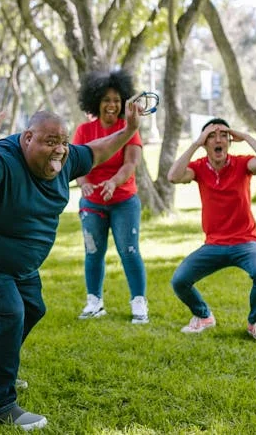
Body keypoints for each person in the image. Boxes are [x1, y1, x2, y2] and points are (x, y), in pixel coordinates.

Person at [0, 90, 142, 430]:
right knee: (8, 314)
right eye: (49, 142)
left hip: (15, 259)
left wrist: (129, 129)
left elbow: (96, 151)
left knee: (32, 308)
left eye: (62, 141)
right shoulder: (0, 160)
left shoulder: (64, 158)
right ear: (27, 138)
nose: (59, 149)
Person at [167, 118, 256, 344]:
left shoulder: (241, 164)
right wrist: (194, 144)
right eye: (211, 136)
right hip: (214, 245)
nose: (218, 140)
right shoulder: (199, 168)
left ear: (230, 141)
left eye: (223, 135)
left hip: (245, 242)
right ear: (204, 142)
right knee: (179, 281)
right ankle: (203, 316)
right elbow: (173, 176)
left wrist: (245, 136)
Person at [72, 70, 148, 323]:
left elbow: (130, 165)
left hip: (123, 200)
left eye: (117, 100)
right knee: (93, 252)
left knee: (129, 250)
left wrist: (113, 182)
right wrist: (83, 184)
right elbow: (77, 164)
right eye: (106, 100)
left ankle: (139, 302)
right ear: (96, 102)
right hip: (92, 203)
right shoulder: (84, 131)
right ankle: (94, 301)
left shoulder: (129, 129)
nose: (112, 105)